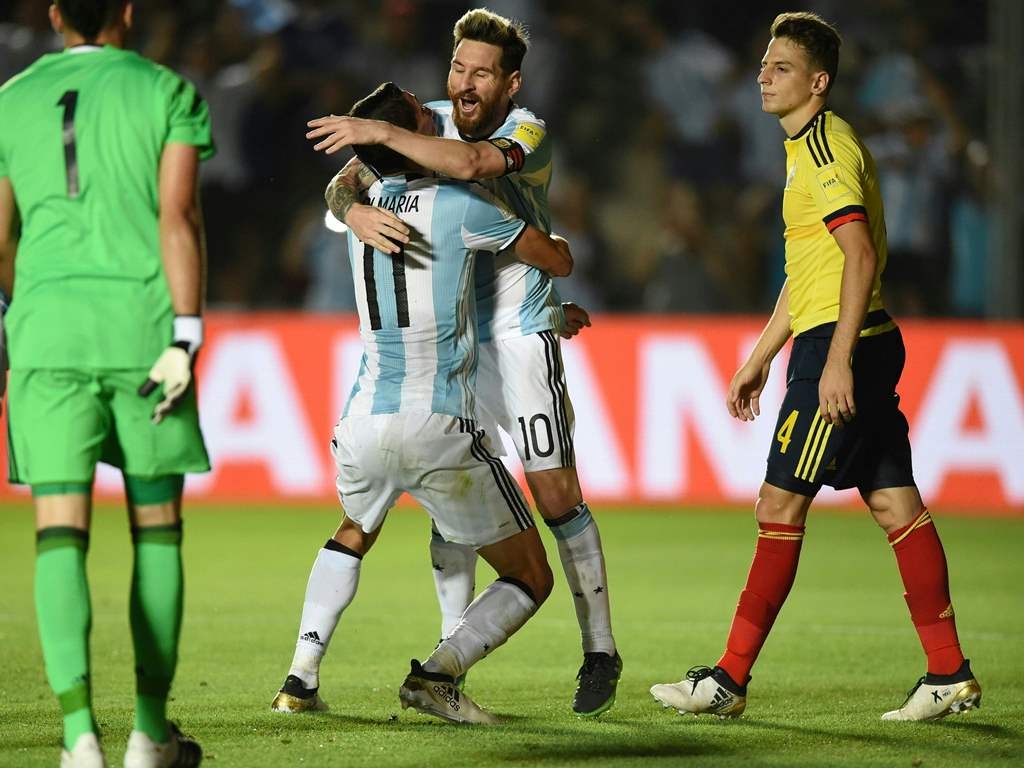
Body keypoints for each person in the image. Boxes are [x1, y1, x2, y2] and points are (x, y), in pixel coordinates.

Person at [649, 12, 981, 722]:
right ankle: (948, 672)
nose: (763, 77)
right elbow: (811, 272)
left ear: (818, 82)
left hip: (846, 343)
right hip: (854, 336)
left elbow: (857, 256)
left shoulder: (826, 150)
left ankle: (728, 682)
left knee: (779, 506)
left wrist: (835, 363)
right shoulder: (806, 148)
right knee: (897, 504)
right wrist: (760, 355)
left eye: (781, 68)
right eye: (765, 65)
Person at [301, 6, 621, 717]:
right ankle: (450, 656)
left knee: (555, 494)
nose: (464, 84)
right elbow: (344, 184)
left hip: (516, 331)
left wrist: (381, 131)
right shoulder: (428, 118)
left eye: (481, 73)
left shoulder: (525, 128)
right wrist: (352, 211)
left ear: (511, 83)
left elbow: (475, 165)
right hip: (451, 335)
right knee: (455, 508)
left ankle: (599, 646)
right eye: (457, 68)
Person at [272, 81, 573, 725]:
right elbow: (556, 258)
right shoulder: (462, 205)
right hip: (438, 421)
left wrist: (356, 196)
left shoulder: (361, 210)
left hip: (362, 419)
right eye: (418, 120)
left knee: (353, 532)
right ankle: (438, 673)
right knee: (530, 575)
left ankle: (299, 678)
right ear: (408, 135)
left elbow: (342, 190)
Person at [0, 2, 213, 765]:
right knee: (155, 528)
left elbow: (1, 238)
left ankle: (76, 735)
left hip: (47, 333)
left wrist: (17, 322)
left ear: (55, 13)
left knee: (61, 530)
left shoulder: (10, 99)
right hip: (144, 331)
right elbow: (177, 217)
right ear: (127, 11)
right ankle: (149, 732)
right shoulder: (167, 92)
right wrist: (186, 335)